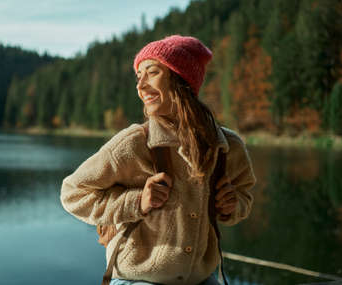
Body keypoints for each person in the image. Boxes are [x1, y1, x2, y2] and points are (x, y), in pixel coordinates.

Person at [60, 35, 256, 285]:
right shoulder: (133, 143)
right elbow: (72, 194)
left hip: (201, 279)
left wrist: (232, 205)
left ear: (181, 79)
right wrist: (136, 201)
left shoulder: (228, 147)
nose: (140, 85)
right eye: (138, 76)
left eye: (151, 73)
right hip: (137, 279)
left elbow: (245, 195)